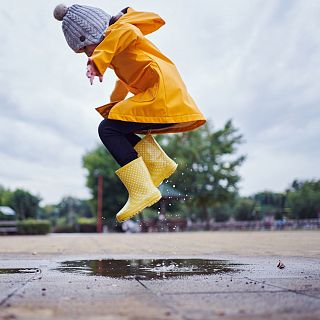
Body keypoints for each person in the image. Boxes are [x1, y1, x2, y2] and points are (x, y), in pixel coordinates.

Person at [54, 4, 206, 222]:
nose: (87, 54)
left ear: (92, 34)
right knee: (113, 125)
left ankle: (142, 189)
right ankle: (157, 163)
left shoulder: (123, 29)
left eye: (85, 48)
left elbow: (127, 33)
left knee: (107, 130)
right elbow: (123, 82)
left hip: (162, 95)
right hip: (162, 95)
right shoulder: (117, 48)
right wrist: (115, 106)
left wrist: (98, 60)